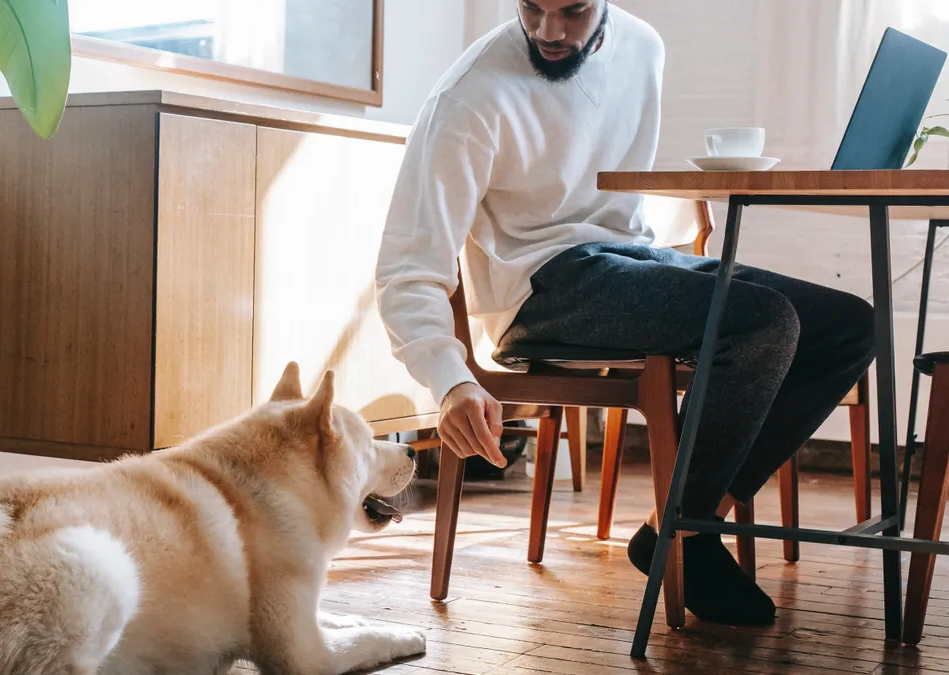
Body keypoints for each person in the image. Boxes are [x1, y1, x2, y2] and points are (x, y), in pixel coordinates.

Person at [374, 0, 875, 626]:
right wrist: (449, 378)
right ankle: (687, 534)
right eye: (533, 8)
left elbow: (612, 198)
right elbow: (409, 264)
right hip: (541, 287)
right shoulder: (470, 97)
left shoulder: (643, 46)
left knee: (849, 325)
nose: (550, 32)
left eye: (574, 11)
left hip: (629, 258)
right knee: (761, 322)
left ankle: (680, 523)